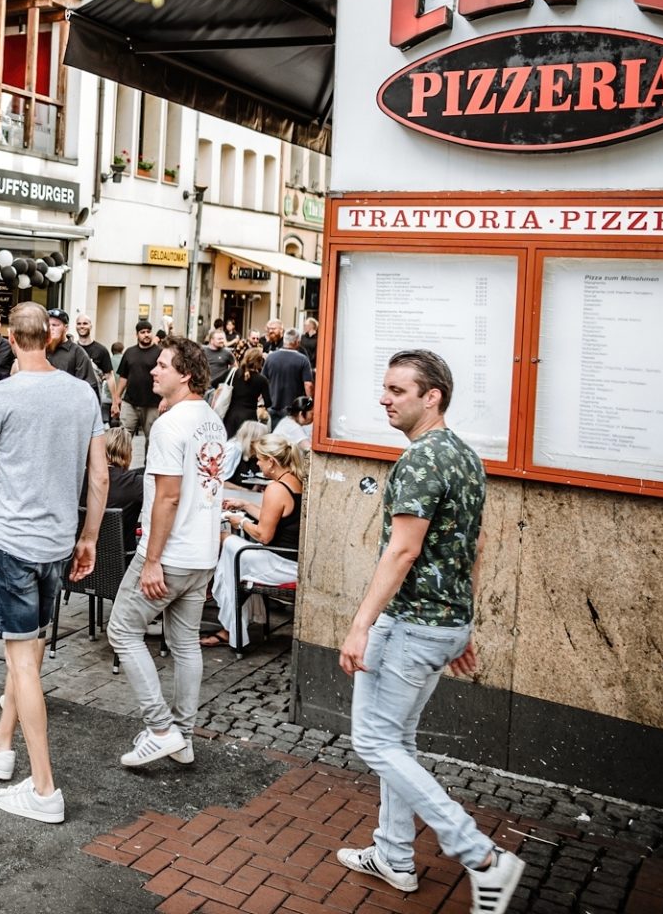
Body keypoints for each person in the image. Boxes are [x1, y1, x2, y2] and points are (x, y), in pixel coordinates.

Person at [333, 350, 524, 911]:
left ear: (431, 396)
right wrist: (463, 626)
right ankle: (394, 854)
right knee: (400, 742)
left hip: (410, 626)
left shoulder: (420, 462)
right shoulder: (464, 456)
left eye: (396, 390)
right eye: (385, 388)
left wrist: (359, 625)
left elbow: (403, 550)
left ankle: (482, 857)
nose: (384, 399)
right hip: (441, 624)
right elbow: (476, 544)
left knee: (374, 741)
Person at [0, 301, 107, 825]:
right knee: (26, 649)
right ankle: (1, 744)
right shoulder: (81, 393)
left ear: (9, 337)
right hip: (56, 542)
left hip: (13, 542)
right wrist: (90, 537)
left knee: (22, 662)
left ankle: (45, 788)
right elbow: (98, 478)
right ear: (49, 338)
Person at [106, 337, 226, 772]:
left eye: (161, 366)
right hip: (201, 555)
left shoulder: (170, 425)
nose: (152, 371)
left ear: (186, 375)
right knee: (185, 644)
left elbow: (168, 497)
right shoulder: (212, 421)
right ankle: (184, 737)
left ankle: (160, 729)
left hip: (170, 553)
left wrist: (152, 559)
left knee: (122, 631)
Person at [205, 433, 305, 650]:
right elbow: (276, 517)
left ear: (272, 461)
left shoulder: (275, 489)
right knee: (233, 552)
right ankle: (233, 624)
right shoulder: (295, 482)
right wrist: (244, 505)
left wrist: (238, 522)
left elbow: (264, 535)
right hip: (291, 558)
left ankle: (230, 625)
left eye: (260, 458)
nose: (257, 463)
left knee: (227, 541)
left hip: (281, 564)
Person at [110, 320, 164, 447]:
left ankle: (149, 466)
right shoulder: (129, 352)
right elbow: (123, 377)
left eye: (149, 332)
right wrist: (117, 398)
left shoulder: (160, 353)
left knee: (152, 439)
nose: (146, 335)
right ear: (137, 335)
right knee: (123, 438)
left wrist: (165, 399)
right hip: (130, 403)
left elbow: (165, 377)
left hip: (152, 404)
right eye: (142, 332)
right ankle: (121, 466)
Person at [44, 307, 101, 397]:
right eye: (48, 325)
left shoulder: (77, 353)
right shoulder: (40, 349)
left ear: (65, 328)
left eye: (55, 325)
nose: (51, 328)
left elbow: (90, 388)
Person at [262, 329, 315, 425]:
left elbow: (263, 380)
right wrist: (310, 403)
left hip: (273, 405)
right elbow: (308, 385)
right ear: (297, 342)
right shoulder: (302, 360)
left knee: (275, 437)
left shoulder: (270, 357)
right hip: (293, 408)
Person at [220, 344, 270, 437]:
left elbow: (214, 383)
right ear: (260, 361)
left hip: (231, 416)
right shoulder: (262, 380)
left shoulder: (233, 372)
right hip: (249, 418)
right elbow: (268, 402)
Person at [74, 314, 113, 383]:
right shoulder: (72, 348)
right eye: (79, 324)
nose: (82, 326)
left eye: (85, 323)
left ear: (91, 326)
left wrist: (114, 394)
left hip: (94, 391)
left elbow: (109, 376)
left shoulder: (101, 350)